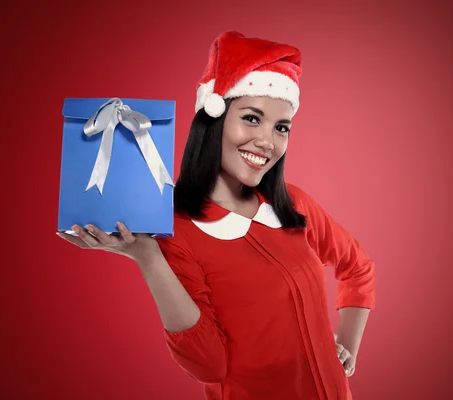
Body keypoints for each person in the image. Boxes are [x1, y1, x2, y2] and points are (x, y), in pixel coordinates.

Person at [58, 30, 376, 400]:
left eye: (281, 127)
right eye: (252, 118)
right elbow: (209, 366)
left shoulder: (293, 205)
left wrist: (348, 345)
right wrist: (148, 258)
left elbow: (358, 267)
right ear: (214, 118)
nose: (268, 142)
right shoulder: (175, 229)